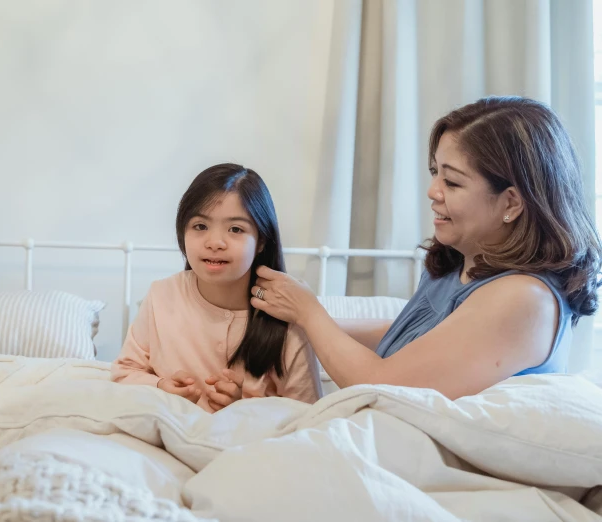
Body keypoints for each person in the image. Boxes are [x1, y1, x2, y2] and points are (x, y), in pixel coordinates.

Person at [250, 96, 602, 400]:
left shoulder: (523, 298)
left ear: (511, 202)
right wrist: (297, 320)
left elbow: (384, 386)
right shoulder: (461, 263)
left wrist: (309, 313)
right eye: (435, 172)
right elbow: (414, 341)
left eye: (451, 181)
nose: (433, 191)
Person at [112, 163, 322, 412]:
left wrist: (240, 409)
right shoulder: (161, 296)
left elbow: (307, 415)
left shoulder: (287, 314)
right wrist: (160, 386)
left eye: (235, 229)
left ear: (262, 241)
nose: (215, 243)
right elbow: (123, 375)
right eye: (200, 226)